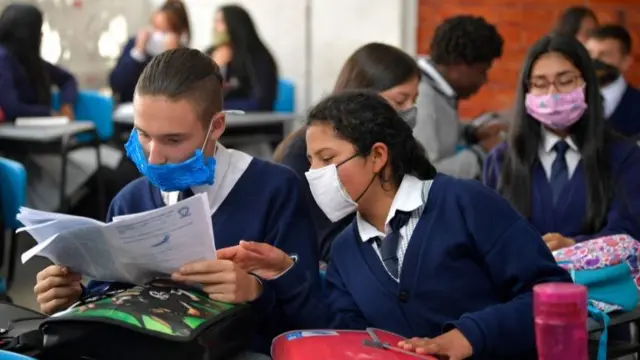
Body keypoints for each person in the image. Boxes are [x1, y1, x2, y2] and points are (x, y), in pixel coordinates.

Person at [219, 90, 572, 360]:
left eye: (328, 159)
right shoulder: (346, 250)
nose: (314, 175)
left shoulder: (465, 203)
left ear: (377, 156)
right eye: (311, 162)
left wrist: (470, 335)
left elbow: (550, 296)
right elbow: (347, 336)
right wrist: (287, 273)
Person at [33, 49, 319, 359]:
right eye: (142, 134)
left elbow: (310, 320)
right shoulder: (130, 199)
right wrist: (76, 297)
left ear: (217, 126)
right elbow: (114, 301)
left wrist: (256, 291)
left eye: (173, 140)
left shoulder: (275, 190)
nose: (154, 157)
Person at [484, 34, 640, 252]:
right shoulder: (502, 159)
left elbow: (628, 232)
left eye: (565, 81)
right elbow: (487, 236)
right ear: (527, 91)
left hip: (597, 284)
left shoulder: (624, 157)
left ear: (587, 84)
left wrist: (575, 247)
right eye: (539, 83)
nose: (552, 93)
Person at [272, 42, 420, 262]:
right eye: (400, 100)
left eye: (414, 100)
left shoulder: (399, 147)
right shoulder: (301, 153)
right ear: (364, 95)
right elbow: (325, 245)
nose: (409, 110)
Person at [414, 15, 507, 179]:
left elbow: (441, 133)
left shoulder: (438, 90)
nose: (483, 80)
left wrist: (471, 133)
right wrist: (482, 153)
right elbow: (425, 175)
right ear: (458, 63)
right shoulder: (421, 98)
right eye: (481, 71)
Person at [0, 3, 77, 121]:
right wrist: (49, 114)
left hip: (35, 133)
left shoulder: (29, 60)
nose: (42, 35)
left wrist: (66, 104)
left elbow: (67, 79)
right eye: (39, 30)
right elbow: (11, 109)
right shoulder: (3, 59)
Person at [109, 0, 190, 104]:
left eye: (164, 32)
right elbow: (116, 84)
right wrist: (137, 53)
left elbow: (179, 95)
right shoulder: (135, 45)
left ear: (180, 34)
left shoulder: (185, 56)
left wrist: (170, 58)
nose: (157, 35)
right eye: (155, 28)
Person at [206, 5, 278, 111]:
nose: (216, 27)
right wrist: (216, 68)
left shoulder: (257, 56)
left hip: (251, 124)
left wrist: (222, 106)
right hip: (219, 122)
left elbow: (262, 102)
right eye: (215, 21)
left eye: (221, 22)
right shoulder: (211, 53)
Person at [585, 24, 640, 138]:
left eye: (604, 55)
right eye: (589, 53)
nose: (594, 61)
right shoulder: (569, 101)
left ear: (626, 61)